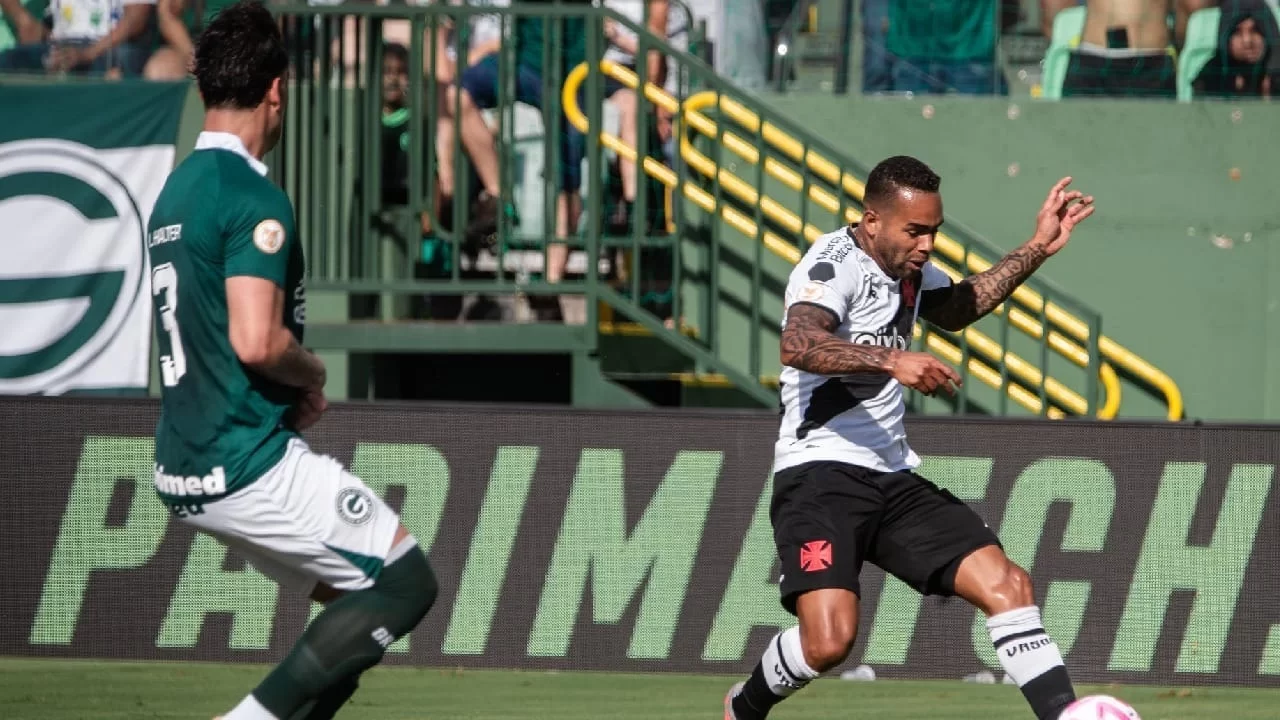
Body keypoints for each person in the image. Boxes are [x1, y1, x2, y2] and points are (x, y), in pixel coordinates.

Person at [144, 3, 439, 719]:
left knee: (353, 605)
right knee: (407, 584)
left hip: (185, 459)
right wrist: (312, 375)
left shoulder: (175, 190)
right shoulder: (251, 194)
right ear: (277, 89)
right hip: (246, 458)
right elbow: (256, 341)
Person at [723, 156, 1096, 720]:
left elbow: (963, 305)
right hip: (818, 474)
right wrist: (891, 359)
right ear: (872, 220)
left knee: (1008, 583)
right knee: (828, 642)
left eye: (934, 231)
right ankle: (744, 708)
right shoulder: (830, 264)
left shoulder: (911, 273)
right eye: (914, 231)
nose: (926, 244)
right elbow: (798, 344)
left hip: (891, 477)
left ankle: (1067, 717)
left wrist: (1037, 247)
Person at [1042, 0, 1211, 98]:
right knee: (1155, 152)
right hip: (1150, 56)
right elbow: (1193, 5)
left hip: (1092, 54)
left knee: (1079, 152)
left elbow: (1053, 6)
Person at [1192, 0, 1280, 99]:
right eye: (1237, 32)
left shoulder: (1277, 75)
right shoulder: (1209, 79)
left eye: (1255, 31)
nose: (1247, 41)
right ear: (1226, 38)